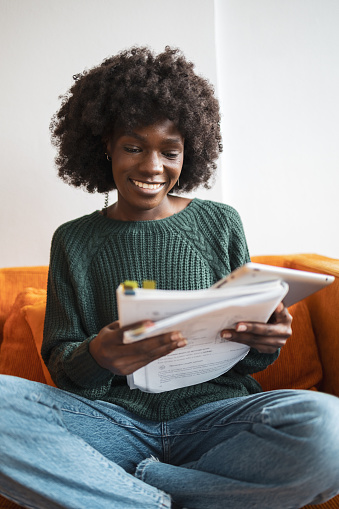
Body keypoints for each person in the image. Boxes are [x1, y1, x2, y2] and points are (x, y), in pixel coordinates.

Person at [0, 46, 338, 509]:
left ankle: (136, 492)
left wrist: (266, 339)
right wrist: (98, 355)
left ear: (188, 153)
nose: (152, 167)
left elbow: (248, 361)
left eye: (169, 151)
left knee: (329, 426)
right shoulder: (73, 241)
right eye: (134, 147)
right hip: (113, 425)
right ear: (106, 147)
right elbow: (63, 364)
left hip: (217, 422)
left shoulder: (219, 223)